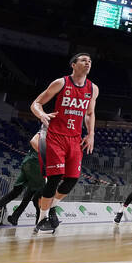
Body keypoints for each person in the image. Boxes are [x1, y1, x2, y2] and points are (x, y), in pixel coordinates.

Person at [30, 53, 97, 234]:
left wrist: (90, 134)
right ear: (73, 65)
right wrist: (41, 114)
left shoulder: (93, 88)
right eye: (83, 60)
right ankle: (41, 219)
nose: (87, 63)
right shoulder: (61, 82)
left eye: (89, 61)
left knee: (72, 180)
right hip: (55, 136)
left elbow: (89, 114)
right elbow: (36, 103)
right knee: (54, 178)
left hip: (75, 139)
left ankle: (51, 206)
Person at [0, 133, 44, 229]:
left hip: (28, 162)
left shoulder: (44, 129)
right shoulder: (51, 130)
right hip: (36, 163)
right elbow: (33, 141)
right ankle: (42, 222)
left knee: (15, 192)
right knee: (44, 193)